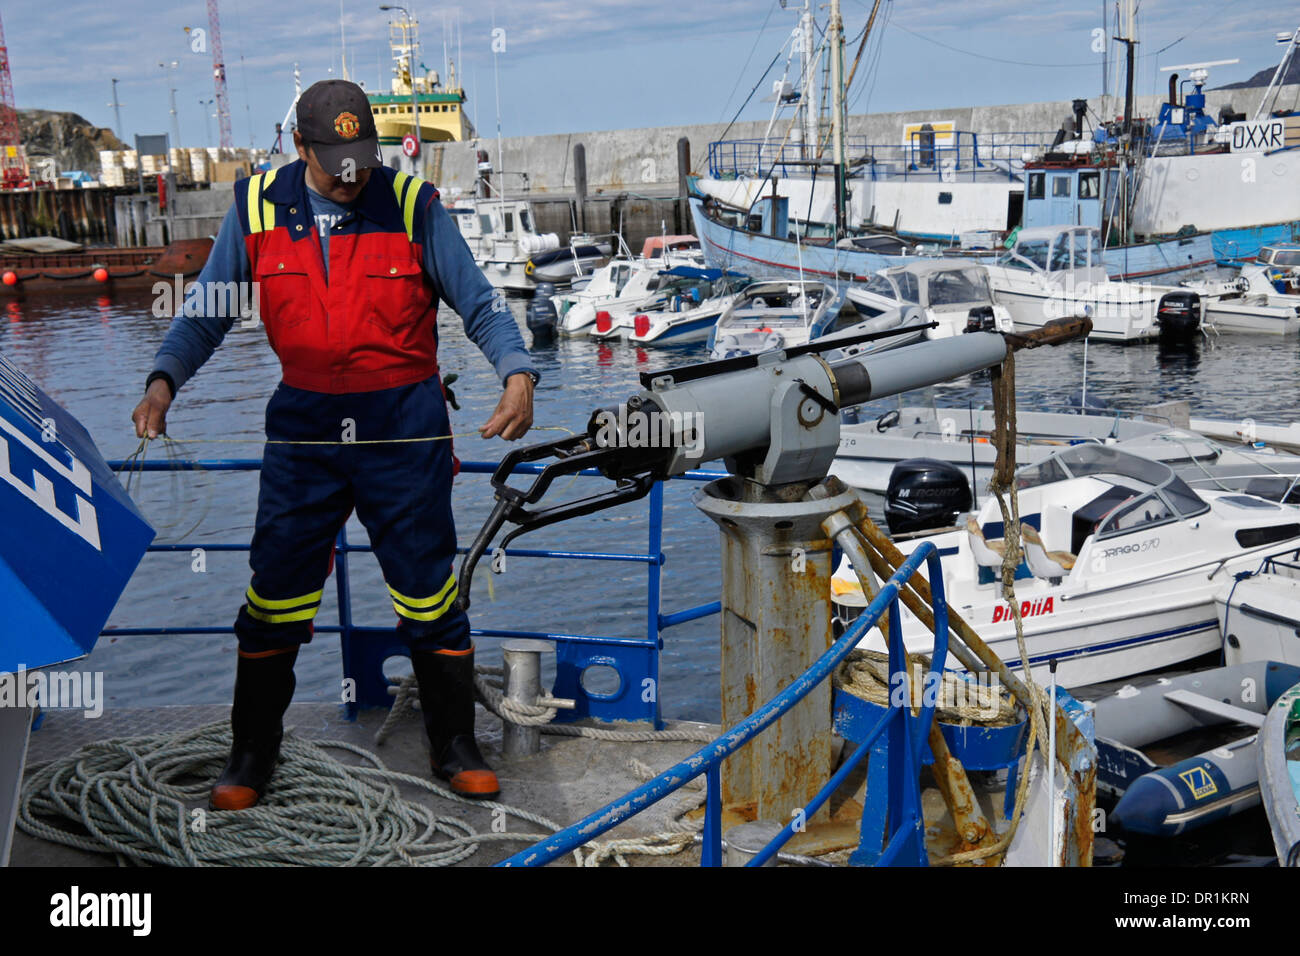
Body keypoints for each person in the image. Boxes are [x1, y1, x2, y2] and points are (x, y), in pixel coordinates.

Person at [131, 79, 537, 809]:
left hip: (403, 432)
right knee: (274, 599)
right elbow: (206, 313)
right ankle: (252, 751)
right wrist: (164, 381)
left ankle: (454, 744)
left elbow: (479, 300)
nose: (351, 177)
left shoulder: (413, 205)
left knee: (429, 597)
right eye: (334, 162)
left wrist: (517, 374)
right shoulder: (255, 207)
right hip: (305, 437)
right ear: (299, 148)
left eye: (361, 159)